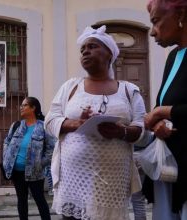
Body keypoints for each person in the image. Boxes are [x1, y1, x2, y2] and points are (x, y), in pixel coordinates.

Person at [44, 25, 146, 220]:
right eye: (82, 49)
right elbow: (50, 120)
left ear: (109, 54)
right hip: (74, 181)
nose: (85, 51)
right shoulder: (70, 87)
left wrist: (121, 133)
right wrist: (76, 123)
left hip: (112, 181)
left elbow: (142, 129)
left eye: (92, 46)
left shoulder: (128, 90)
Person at [143, 0, 187, 219]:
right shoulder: (173, 57)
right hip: (169, 167)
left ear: (180, 14)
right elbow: (163, 102)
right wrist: (158, 122)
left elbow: (165, 108)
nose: (152, 32)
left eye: (156, 21)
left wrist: (162, 113)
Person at [2, 97, 56, 220]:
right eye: (21, 105)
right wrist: (6, 158)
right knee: (21, 200)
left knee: (39, 200)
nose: (21, 107)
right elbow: (7, 141)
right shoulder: (16, 125)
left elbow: (51, 149)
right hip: (16, 172)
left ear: (33, 108)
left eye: (24, 105)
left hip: (35, 172)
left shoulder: (43, 127)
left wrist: (40, 163)